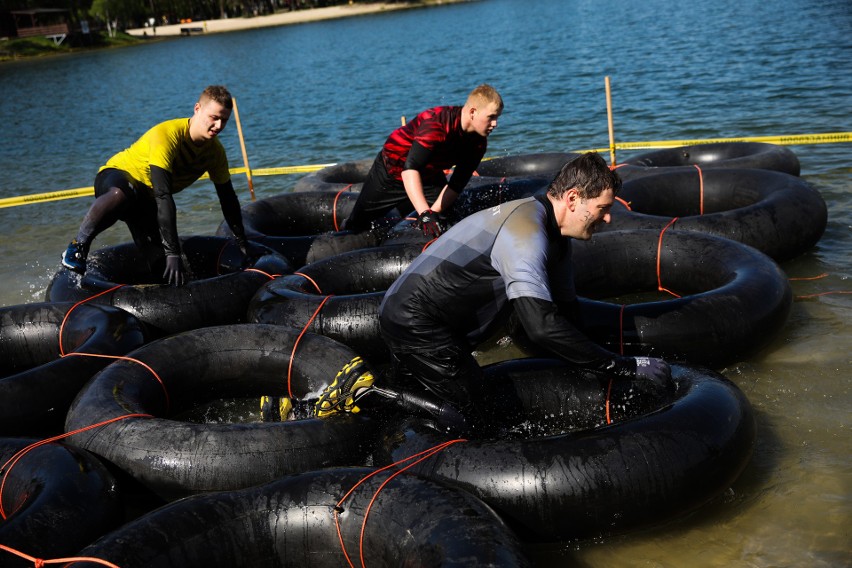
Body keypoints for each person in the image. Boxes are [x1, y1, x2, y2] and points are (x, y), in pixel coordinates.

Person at [309, 153, 672, 433]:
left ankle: (306, 410)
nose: (609, 218)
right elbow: (542, 326)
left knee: (413, 411)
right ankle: (363, 392)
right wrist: (621, 365)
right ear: (574, 198)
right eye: (603, 209)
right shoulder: (526, 233)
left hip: (433, 319)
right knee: (473, 418)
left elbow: (566, 314)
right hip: (416, 319)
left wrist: (596, 368)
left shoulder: (557, 240)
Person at [61, 85, 258, 285]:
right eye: (213, 117)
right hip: (117, 178)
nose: (218, 125)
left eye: (224, 120)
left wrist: (242, 243)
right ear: (197, 108)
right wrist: (173, 252)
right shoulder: (168, 136)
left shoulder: (215, 153)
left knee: (162, 269)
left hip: (145, 201)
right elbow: (163, 195)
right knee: (124, 194)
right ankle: (78, 246)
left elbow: (228, 198)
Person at [342, 84, 503, 238]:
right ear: (473, 112)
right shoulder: (437, 123)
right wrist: (425, 214)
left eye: (497, 117)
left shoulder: (479, 144)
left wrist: (433, 213)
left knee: (447, 218)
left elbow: (456, 184)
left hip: (428, 176)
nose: (495, 124)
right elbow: (410, 169)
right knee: (357, 224)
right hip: (392, 172)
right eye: (491, 117)